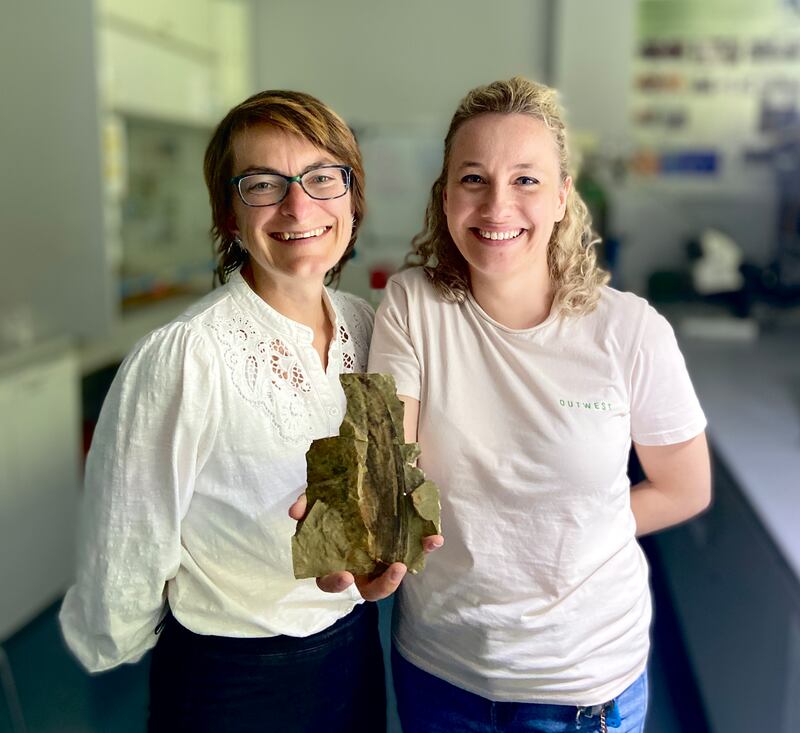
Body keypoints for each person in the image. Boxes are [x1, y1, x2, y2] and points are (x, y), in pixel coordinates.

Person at [367, 77, 712, 733]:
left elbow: (684, 487)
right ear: (445, 198)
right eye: (473, 178)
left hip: (578, 685)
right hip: (440, 668)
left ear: (561, 198)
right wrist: (358, 530)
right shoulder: (414, 305)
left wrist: (567, 536)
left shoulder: (630, 332)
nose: (497, 204)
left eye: (526, 180)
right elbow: (390, 461)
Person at [59, 89, 403, 733]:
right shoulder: (184, 355)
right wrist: (125, 646)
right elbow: (126, 550)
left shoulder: (371, 326)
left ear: (352, 196)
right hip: (232, 679)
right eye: (264, 184)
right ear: (228, 213)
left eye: (322, 177)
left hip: (352, 652)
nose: (299, 206)